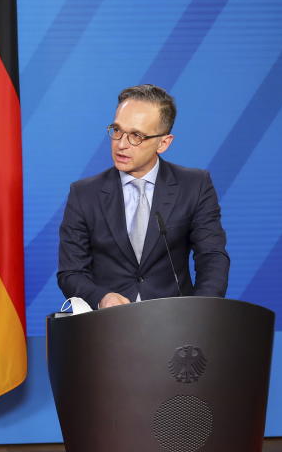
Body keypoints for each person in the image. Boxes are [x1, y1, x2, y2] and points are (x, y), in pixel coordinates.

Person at [57, 84, 229, 310]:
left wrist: (199, 312)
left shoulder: (194, 186)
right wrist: (102, 297)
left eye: (136, 136)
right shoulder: (84, 194)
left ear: (163, 143)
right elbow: (71, 272)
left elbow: (212, 257)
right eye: (117, 130)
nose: (121, 144)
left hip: (176, 325)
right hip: (108, 326)